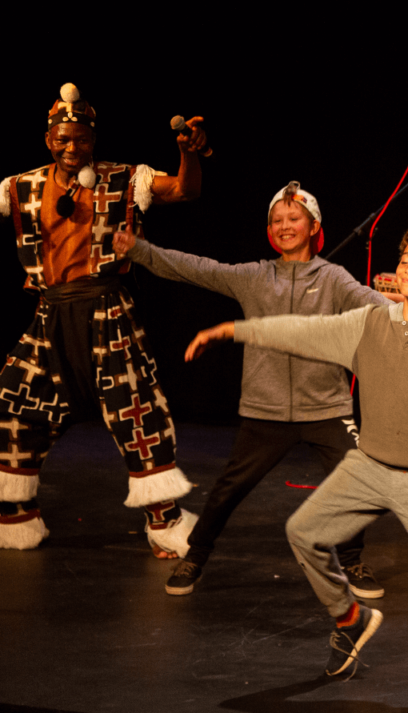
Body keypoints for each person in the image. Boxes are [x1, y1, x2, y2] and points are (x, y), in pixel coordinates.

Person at [182, 221, 408, 703]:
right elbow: (302, 331)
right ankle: (350, 619)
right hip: (369, 467)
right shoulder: (369, 323)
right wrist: (234, 330)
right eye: (407, 261)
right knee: (302, 532)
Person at [113, 181, 389, 598]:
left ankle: (352, 560)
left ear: (313, 225)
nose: (284, 226)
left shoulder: (333, 279)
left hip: (326, 408)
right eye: (276, 221)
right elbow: (198, 268)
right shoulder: (255, 277)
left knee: (356, 483)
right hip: (266, 410)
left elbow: (375, 306)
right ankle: (196, 556)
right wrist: (140, 250)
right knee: (228, 490)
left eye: (293, 219)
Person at [0, 83, 207, 556]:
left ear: (94, 139)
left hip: (106, 310)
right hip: (50, 313)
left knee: (135, 409)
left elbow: (185, 190)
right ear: (48, 137)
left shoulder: (124, 179)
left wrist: (187, 155)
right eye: (62, 138)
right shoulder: (22, 186)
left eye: (81, 139)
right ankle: (16, 517)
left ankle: (165, 524)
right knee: (13, 404)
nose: (72, 148)